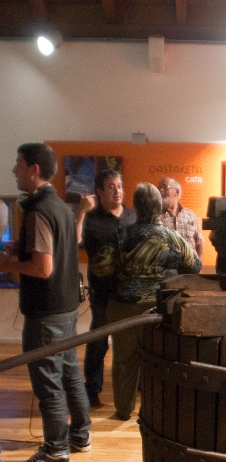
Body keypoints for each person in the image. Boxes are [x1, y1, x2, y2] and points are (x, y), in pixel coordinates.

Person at [0, 143, 91, 462]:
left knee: (48, 384)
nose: (14, 171)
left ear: (34, 169)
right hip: (65, 308)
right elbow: (56, 250)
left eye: (18, 164)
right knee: (70, 375)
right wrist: (21, 249)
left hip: (46, 313)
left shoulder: (38, 210)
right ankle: (80, 435)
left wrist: (8, 263)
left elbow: (42, 268)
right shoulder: (61, 207)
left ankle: (55, 451)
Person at [91, 183, 202, 420]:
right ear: (159, 207)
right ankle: (160, 410)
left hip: (124, 307)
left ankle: (123, 410)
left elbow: (99, 267)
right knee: (161, 359)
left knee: (124, 360)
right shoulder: (174, 238)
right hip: (162, 310)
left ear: (136, 207)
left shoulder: (122, 236)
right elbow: (195, 266)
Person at [75, 170, 136, 407]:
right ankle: (92, 390)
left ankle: (132, 388)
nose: (117, 191)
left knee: (130, 345)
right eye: (111, 187)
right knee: (98, 342)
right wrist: (81, 212)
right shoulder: (91, 218)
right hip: (102, 294)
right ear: (99, 192)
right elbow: (74, 241)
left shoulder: (132, 216)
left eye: (119, 186)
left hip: (129, 294)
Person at [157, 176, 205, 258]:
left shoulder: (190, 215)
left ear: (176, 192)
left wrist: (199, 263)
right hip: (166, 265)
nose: (161, 190)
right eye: (159, 188)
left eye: (165, 187)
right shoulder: (156, 216)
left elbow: (199, 241)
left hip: (189, 265)